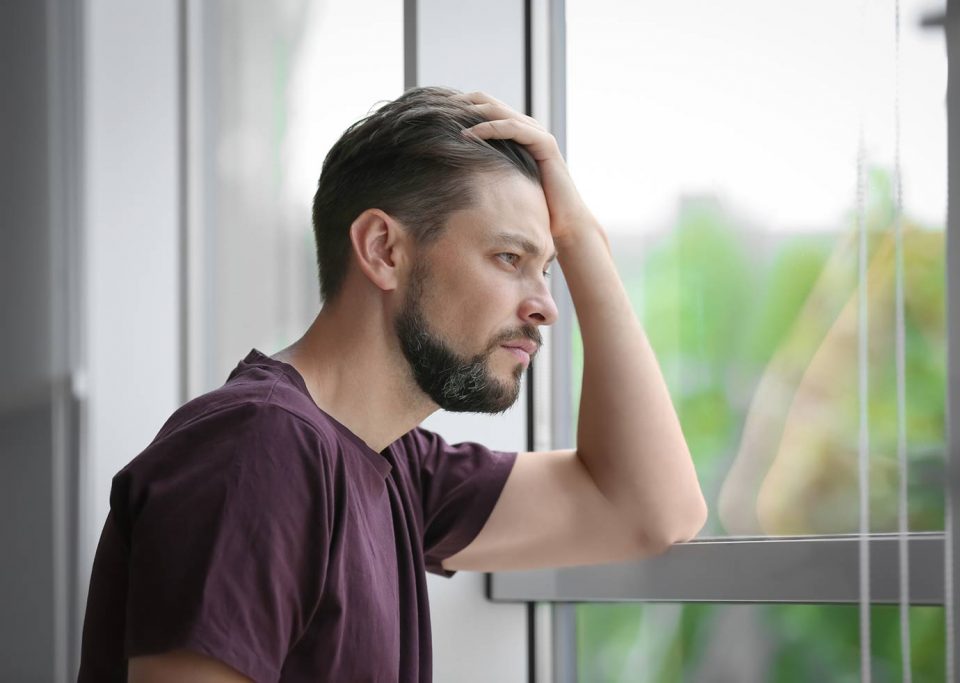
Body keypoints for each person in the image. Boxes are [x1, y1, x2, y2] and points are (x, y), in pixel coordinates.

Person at [77, 86, 707, 683]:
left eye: (547, 267)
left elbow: (652, 510)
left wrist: (582, 237)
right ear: (383, 250)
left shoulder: (396, 463)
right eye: (510, 259)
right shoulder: (259, 449)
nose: (546, 306)